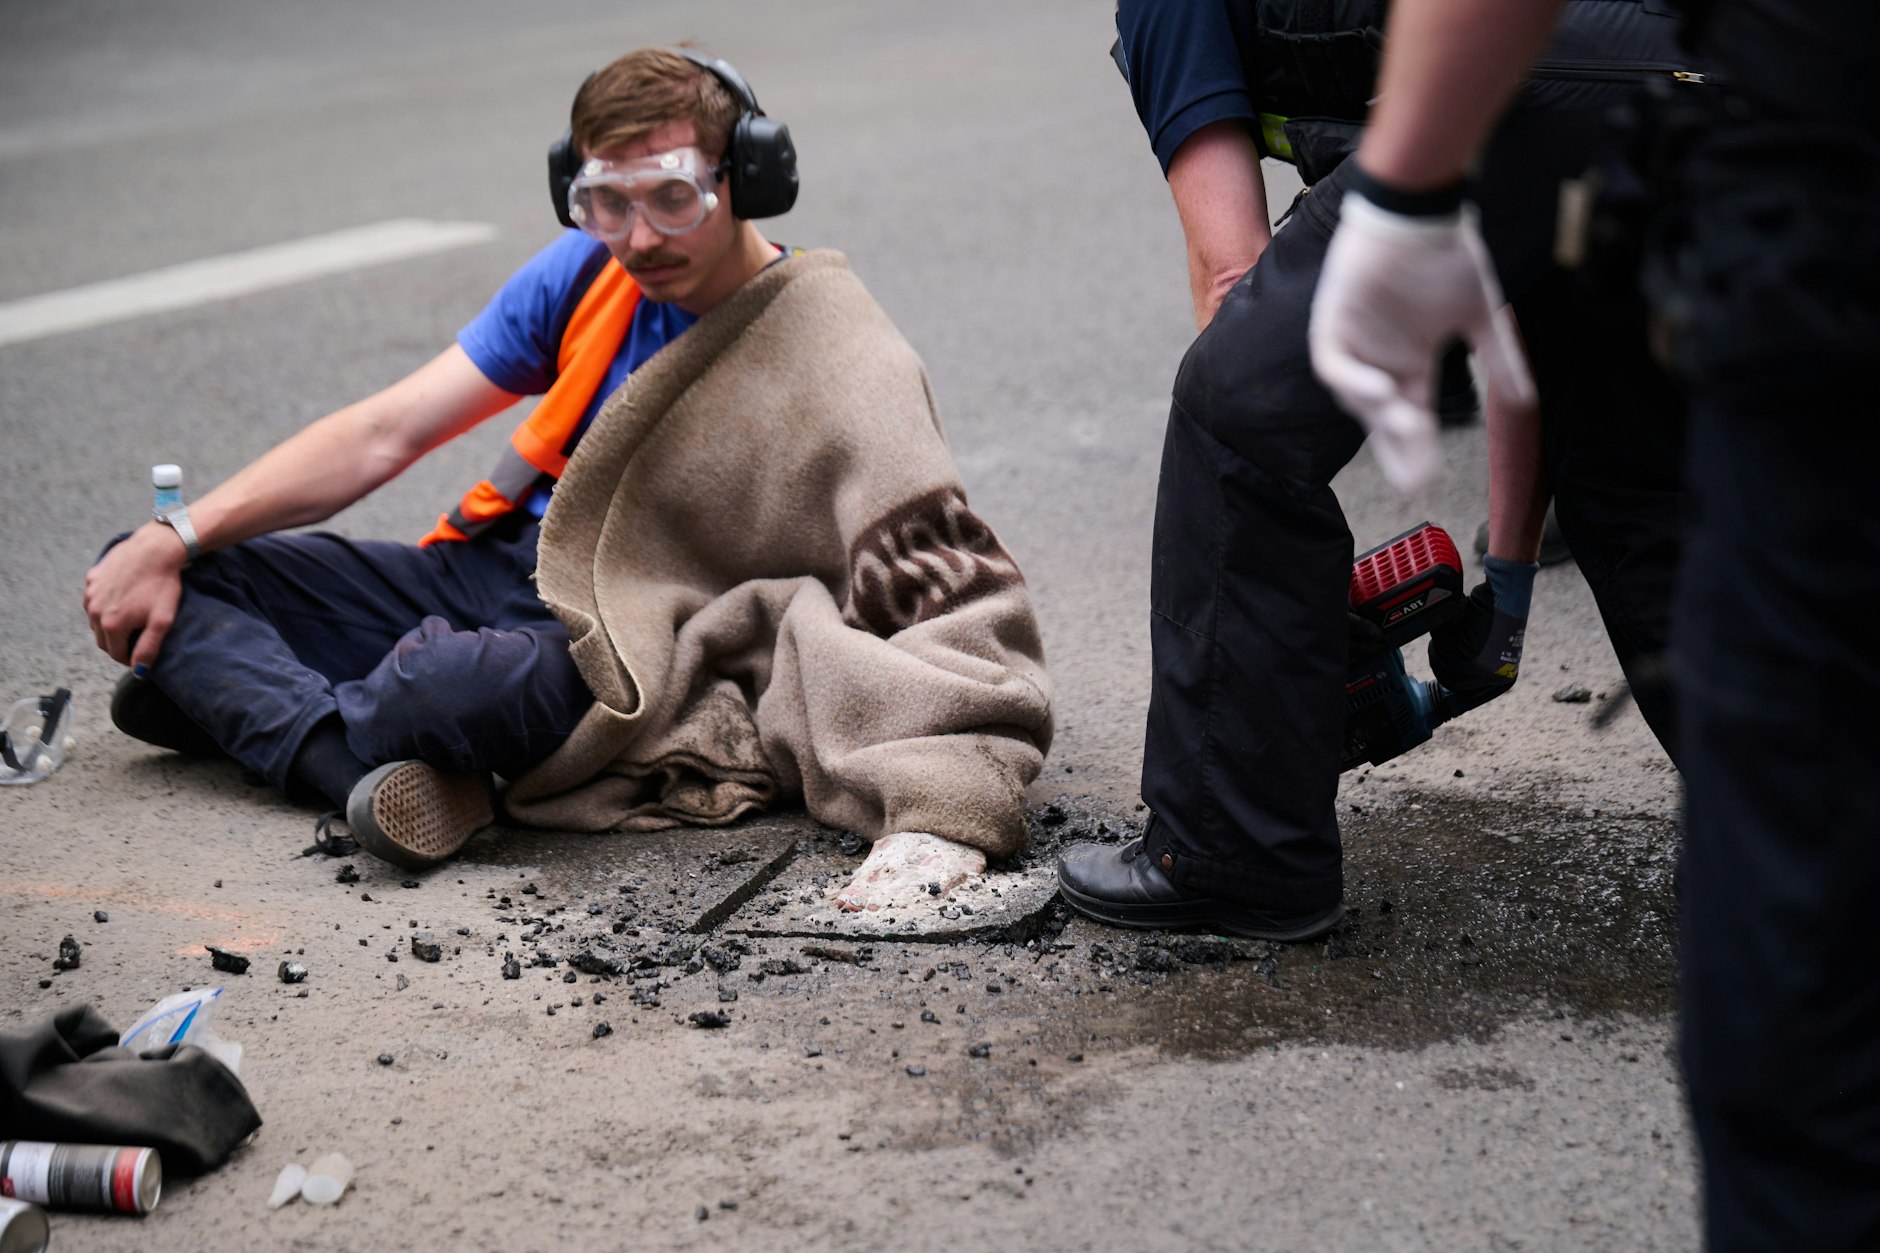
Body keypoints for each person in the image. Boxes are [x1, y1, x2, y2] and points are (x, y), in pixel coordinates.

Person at [84, 48, 1053, 911]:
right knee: (171, 569)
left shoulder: (834, 343)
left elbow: (933, 562)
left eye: (671, 196)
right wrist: (173, 537)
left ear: (746, 175)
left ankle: (250, 706)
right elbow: (384, 431)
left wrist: (943, 772)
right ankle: (348, 763)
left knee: (438, 685)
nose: (637, 236)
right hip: (508, 564)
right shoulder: (586, 270)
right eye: (606, 202)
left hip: (630, 627)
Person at [1307, 1, 1880, 1246]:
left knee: (1798, 1002)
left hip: (1815, 182)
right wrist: (1504, 587)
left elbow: (1531, 318)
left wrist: (1401, 191)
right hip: (1702, 153)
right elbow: (1539, 335)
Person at [1054, 0, 1690, 940]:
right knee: (1645, 487)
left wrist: (1271, 637)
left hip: (1520, 82)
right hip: (1705, 80)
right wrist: (1506, 588)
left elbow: (1238, 299)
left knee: (1238, 408)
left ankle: (1238, 854)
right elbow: (1519, 309)